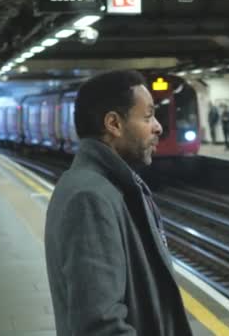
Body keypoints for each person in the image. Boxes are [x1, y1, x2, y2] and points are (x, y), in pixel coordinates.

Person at [44, 70, 192, 336]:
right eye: (147, 116)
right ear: (114, 123)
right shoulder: (89, 198)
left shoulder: (110, 186)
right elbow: (100, 325)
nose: (158, 126)